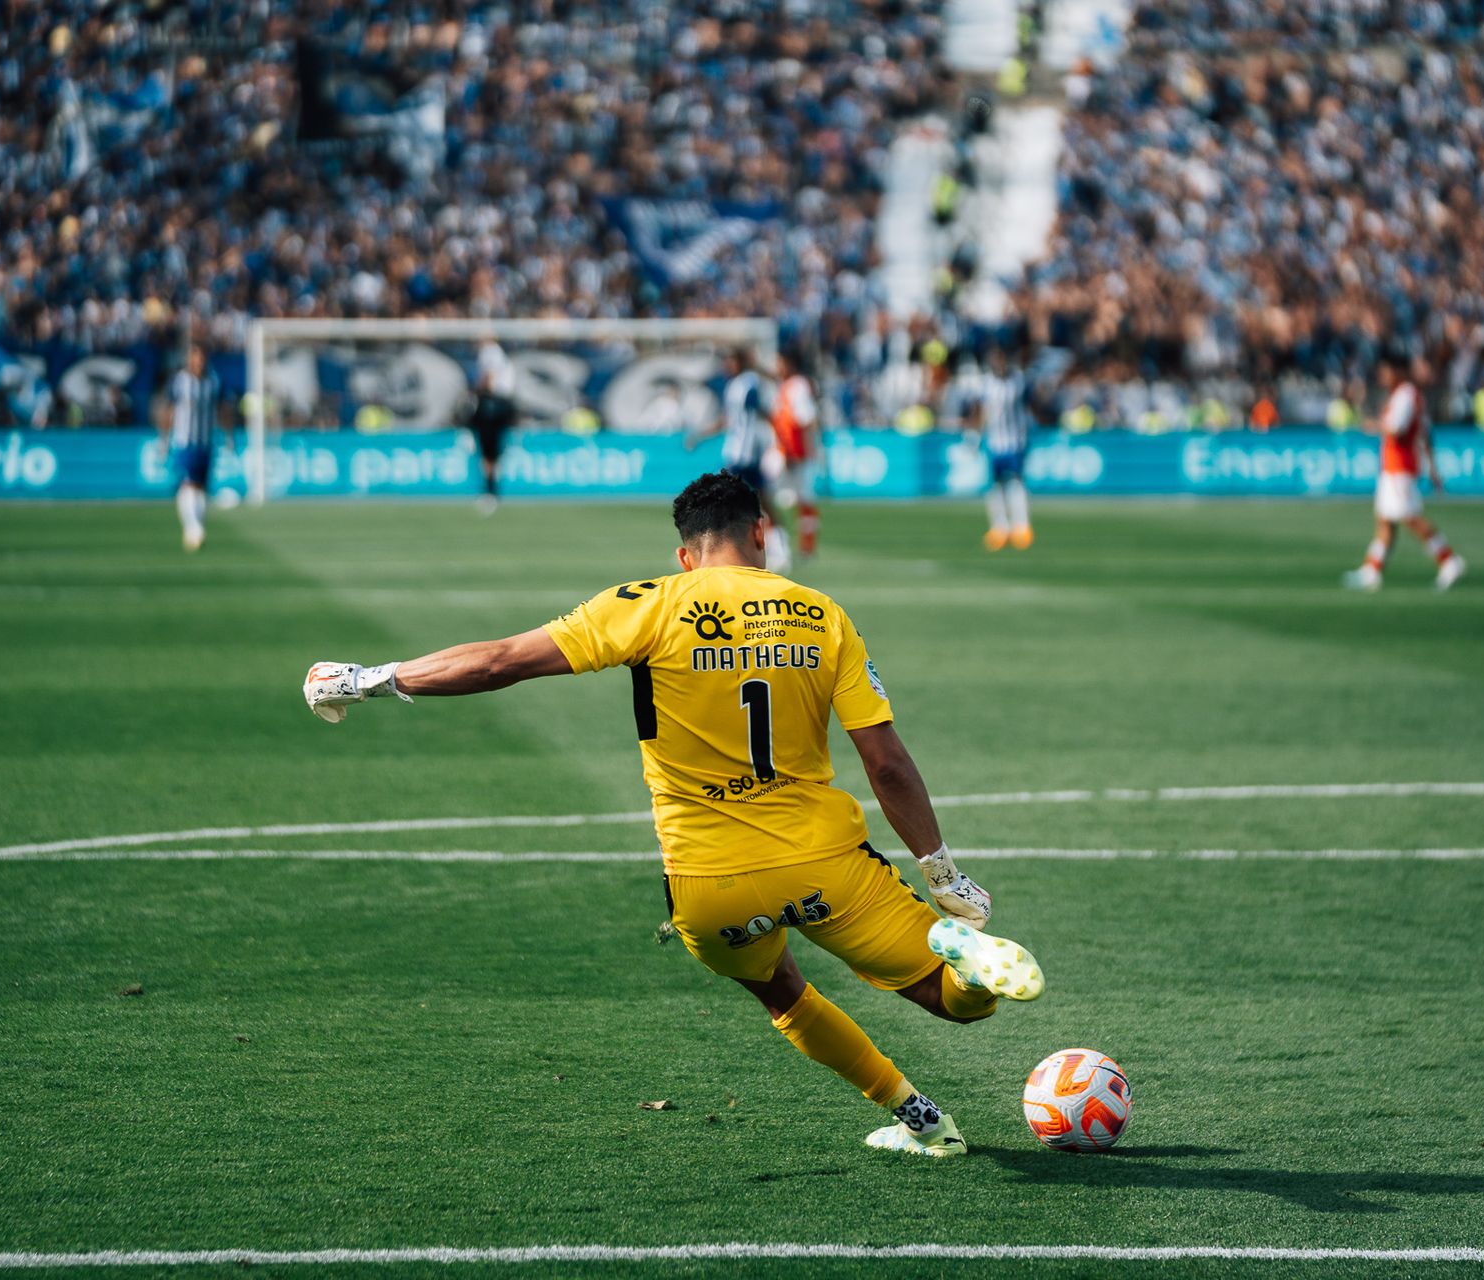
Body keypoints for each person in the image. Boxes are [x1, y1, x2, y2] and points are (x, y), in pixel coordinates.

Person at [303, 472, 1045, 1157]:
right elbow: (885, 761)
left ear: (685, 555)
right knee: (955, 1002)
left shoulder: (649, 604)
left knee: (778, 988)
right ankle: (962, 954)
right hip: (827, 864)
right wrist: (940, 871)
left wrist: (367, 678)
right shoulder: (823, 616)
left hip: (707, 881)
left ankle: (920, 1119)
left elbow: (500, 661)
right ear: (760, 532)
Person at [1343, 357, 1466, 592]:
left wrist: (1375, 425)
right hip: (1395, 466)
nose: (1383, 376)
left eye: (1386, 371)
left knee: (1409, 517)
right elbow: (1425, 433)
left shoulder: (1405, 395)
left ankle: (1448, 559)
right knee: (1385, 519)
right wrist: (1432, 467)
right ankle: (1372, 570)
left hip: (1400, 465)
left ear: (1397, 371)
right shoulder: (1409, 396)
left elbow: (1397, 429)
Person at [694, 348, 790, 572]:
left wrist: (781, 437)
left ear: (740, 362)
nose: (727, 366)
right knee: (755, 502)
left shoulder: (750, 383)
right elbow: (729, 419)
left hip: (747, 454)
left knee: (731, 500)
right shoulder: (735, 385)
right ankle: (777, 548)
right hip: (736, 451)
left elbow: (762, 411)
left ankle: (709, 550)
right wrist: (702, 435)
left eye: (731, 361)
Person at [963, 347, 1033, 550]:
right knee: (995, 486)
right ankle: (999, 528)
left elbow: (1030, 406)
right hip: (995, 441)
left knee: (1016, 482)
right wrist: (975, 435)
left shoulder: (1018, 381)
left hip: (1015, 440)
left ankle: (1021, 527)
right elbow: (980, 411)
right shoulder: (986, 384)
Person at [160, 344, 220, 551]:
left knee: (201, 488)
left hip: (205, 442)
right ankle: (193, 529)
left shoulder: (213, 381)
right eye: (195, 357)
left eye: (202, 358)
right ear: (189, 359)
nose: (199, 362)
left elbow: (223, 407)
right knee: (187, 485)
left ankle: (195, 530)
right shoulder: (179, 381)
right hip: (184, 442)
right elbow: (167, 409)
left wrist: (229, 435)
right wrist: (163, 439)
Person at [771, 348, 823, 557]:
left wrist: (797, 452)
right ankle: (778, 544)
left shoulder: (797, 386)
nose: (777, 367)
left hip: (794, 453)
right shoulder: (785, 386)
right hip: (784, 451)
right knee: (769, 497)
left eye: (780, 362)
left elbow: (806, 420)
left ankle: (804, 546)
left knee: (802, 499)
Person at [469, 340, 518, 515]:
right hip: (504, 404)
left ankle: (490, 491)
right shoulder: (503, 356)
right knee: (494, 453)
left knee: (487, 452)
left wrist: (475, 391)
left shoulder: (489, 351)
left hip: (492, 404)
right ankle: (493, 490)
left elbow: (488, 379)